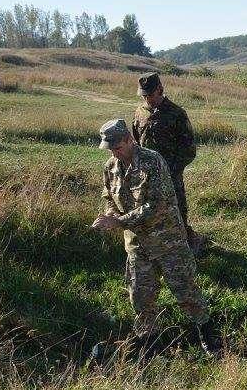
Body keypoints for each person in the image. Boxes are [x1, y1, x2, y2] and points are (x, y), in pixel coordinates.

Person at [92, 119, 222, 361]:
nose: (114, 153)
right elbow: (108, 195)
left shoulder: (153, 161)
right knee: (140, 298)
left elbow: (156, 206)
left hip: (168, 243)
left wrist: (119, 222)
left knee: (187, 292)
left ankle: (209, 337)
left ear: (130, 140)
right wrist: (110, 213)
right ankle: (149, 346)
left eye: (118, 147)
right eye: (110, 149)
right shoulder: (110, 167)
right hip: (137, 246)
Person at [133, 72, 204, 254]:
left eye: (150, 94)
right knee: (148, 210)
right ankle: (155, 243)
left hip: (171, 174)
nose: (147, 99)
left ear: (160, 90)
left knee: (177, 209)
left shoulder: (177, 113)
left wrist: (171, 170)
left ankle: (185, 242)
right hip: (146, 175)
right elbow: (136, 143)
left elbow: (189, 150)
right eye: (144, 95)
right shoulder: (139, 112)